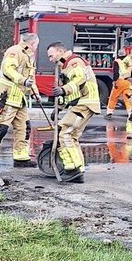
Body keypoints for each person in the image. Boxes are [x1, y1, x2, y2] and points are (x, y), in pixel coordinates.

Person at [46, 41, 101, 183]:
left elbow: (79, 79)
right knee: (72, 136)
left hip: (84, 103)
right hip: (82, 103)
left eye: (51, 55)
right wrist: (58, 108)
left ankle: (73, 169)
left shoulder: (73, 62)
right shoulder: (65, 65)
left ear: (60, 52)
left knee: (65, 133)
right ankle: (78, 169)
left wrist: (63, 90)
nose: (50, 59)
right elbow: (71, 92)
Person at [0, 33, 38, 169]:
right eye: (36, 45)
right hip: (6, 98)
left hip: (19, 100)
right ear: (32, 43)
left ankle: (21, 158)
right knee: (0, 129)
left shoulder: (29, 56)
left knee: (24, 128)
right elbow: (8, 70)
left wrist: (35, 93)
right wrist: (23, 80)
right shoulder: (14, 51)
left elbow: (30, 79)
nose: (37, 47)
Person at [104, 44, 132, 119]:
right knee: (127, 98)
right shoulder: (129, 61)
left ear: (118, 54)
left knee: (113, 97)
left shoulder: (117, 61)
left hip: (120, 82)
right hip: (128, 82)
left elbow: (116, 72)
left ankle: (109, 113)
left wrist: (114, 81)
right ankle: (130, 114)